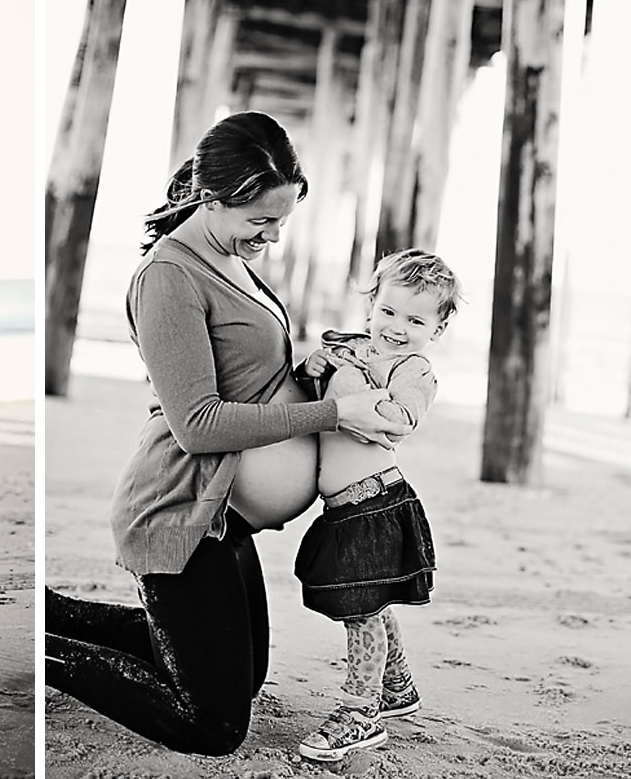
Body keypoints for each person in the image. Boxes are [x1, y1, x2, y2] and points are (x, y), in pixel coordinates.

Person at [43, 112, 413, 756]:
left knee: (246, 679)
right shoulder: (169, 277)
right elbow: (198, 423)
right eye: (261, 221)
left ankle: (56, 615)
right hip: (182, 511)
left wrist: (313, 369)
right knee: (212, 724)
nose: (272, 236)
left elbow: (249, 377)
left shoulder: (229, 257)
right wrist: (332, 415)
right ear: (213, 200)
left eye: (283, 220)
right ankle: (48, 653)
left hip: (228, 516)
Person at [291, 248, 462, 762]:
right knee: (371, 599)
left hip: (377, 504)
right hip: (346, 507)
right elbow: (311, 399)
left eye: (415, 319)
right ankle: (398, 687)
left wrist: (351, 381)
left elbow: (399, 419)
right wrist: (313, 367)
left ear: (438, 326)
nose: (396, 327)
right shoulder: (355, 350)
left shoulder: (415, 369)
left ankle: (359, 710)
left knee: (361, 612)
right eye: (388, 311)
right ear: (371, 305)